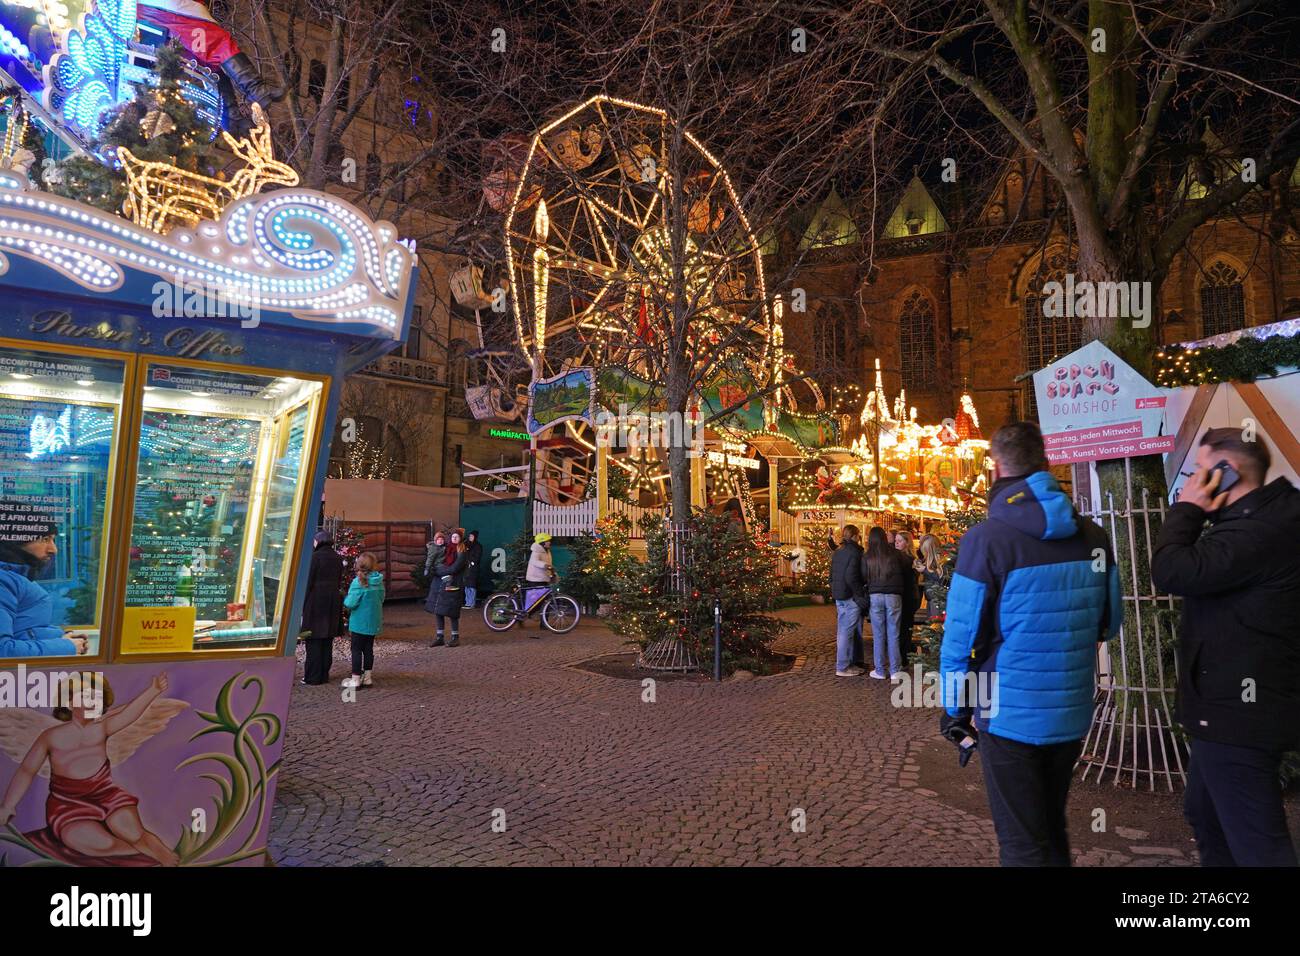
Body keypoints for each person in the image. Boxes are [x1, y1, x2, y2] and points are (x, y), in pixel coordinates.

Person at [939, 422, 1119, 867]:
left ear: (997, 467)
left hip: (1007, 714)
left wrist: (954, 709)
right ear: (1046, 462)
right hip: (1072, 710)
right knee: (1051, 826)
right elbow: (1110, 623)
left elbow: (960, 638)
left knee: (1021, 841)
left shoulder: (986, 540)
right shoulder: (1094, 537)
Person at [1152, 427, 1300, 867]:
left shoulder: (1255, 533)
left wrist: (1188, 510)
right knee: (1207, 815)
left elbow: (1172, 571)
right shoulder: (1274, 516)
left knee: (1258, 843)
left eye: (1200, 470)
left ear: (1225, 472)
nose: (1193, 480)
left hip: (1237, 711)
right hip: (1234, 704)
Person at [0, 510, 84, 658]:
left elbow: (22, 630)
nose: (53, 549)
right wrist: (66, 646)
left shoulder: (17, 577)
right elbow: (3, 650)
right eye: (45, 539)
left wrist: (59, 637)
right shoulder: (4, 580)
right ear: (15, 540)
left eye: (53, 540)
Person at [863, 526, 909, 680]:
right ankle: (895, 670)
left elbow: (863, 576)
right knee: (894, 633)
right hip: (894, 595)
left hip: (875, 595)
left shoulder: (867, 556)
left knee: (878, 634)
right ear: (885, 537)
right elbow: (906, 572)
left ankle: (880, 670)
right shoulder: (896, 554)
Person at [299, 530, 343, 685]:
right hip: (332, 602)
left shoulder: (314, 557)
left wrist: (301, 605)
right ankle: (324, 674)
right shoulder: (337, 558)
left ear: (317, 542)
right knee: (326, 640)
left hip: (315, 602)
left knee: (314, 640)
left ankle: (312, 676)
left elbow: (308, 581)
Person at [829, 525, 869, 677]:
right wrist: (859, 595)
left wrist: (834, 588)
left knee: (844, 630)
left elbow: (831, 575)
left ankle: (850, 662)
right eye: (858, 535)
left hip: (840, 595)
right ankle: (843, 666)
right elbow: (851, 577)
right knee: (846, 632)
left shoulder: (838, 552)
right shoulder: (855, 552)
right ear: (854, 536)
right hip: (850, 596)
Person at [342, 553, 384, 689]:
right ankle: (367, 678)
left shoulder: (357, 582)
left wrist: (345, 600)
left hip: (359, 623)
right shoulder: (379, 581)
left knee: (356, 650)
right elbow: (382, 599)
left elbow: (350, 603)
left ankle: (355, 679)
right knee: (368, 650)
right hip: (373, 622)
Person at [430, 531, 468, 648]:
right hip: (441, 584)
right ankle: (439, 637)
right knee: (439, 610)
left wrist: (440, 571)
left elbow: (455, 568)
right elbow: (437, 562)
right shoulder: (446, 549)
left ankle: (455, 637)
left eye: (457, 537)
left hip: (454, 584)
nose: (454, 538)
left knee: (452, 612)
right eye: (453, 536)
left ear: (460, 539)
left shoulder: (462, 552)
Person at [893, 530, 921, 664]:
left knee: (904, 627)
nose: (896, 543)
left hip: (908, 597)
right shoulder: (899, 557)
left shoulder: (910, 560)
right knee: (901, 627)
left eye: (900, 541)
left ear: (907, 542)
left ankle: (904, 656)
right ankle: (906, 652)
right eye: (896, 540)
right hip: (904, 596)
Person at [524, 533, 555, 635]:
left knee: (545, 601)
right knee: (536, 603)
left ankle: (544, 624)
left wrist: (553, 574)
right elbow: (535, 562)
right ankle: (525, 615)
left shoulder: (547, 551)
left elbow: (549, 566)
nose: (549, 542)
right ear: (542, 542)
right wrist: (545, 565)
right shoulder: (536, 551)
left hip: (543, 578)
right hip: (535, 579)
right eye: (547, 541)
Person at [916, 534, 946, 621]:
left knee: (935, 625)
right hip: (930, 598)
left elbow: (940, 577)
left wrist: (925, 570)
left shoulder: (941, 561)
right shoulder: (930, 560)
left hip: (937, 599)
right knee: (931, 624)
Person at [423, 530, 447, 616]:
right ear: (435, 540)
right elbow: (430, 559)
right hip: (438, 567)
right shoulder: (434, 548)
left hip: (442, 565)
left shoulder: (443, 547)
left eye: (442, 539)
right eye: (439, 539)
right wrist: (427, 568)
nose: (440, 541)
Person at [463, 530, 484, 610]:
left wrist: (470, 561)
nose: (470, 537)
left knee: (472, 586)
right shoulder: (466, 544)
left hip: (473, 569)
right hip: (466, 569)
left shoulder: (478, 546)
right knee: (466, 586)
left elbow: (477, 558)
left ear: (475, 537)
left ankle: (471, 603)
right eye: (470, 536)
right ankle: (467, 603)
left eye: (472, 536)